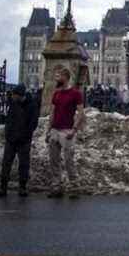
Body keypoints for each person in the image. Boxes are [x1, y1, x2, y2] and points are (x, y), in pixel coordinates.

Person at [46, 68, 84, 199]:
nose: (56, 78)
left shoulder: (75, 93)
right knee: (54, 161)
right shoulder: (56, 93)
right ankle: (57, 186)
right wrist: (48, 130)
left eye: (59, 76)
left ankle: (74, 187)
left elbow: (81, 113)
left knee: (69, 161)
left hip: (67, 131)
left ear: (66, 77)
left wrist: (74, 130)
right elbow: (52, 112)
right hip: (55, 130)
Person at [0, 84, 38, 197]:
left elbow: (33, 123)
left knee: (24, 164)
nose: (12, 97)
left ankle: (22, 187)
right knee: (6, 163)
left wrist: (25, 135)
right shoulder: (14, 104)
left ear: (19, 95)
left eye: (14, 95)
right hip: (11, 139)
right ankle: (3, 187)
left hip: (24, 140)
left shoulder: (31, 105)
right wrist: (8, 133)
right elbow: (9, 119)